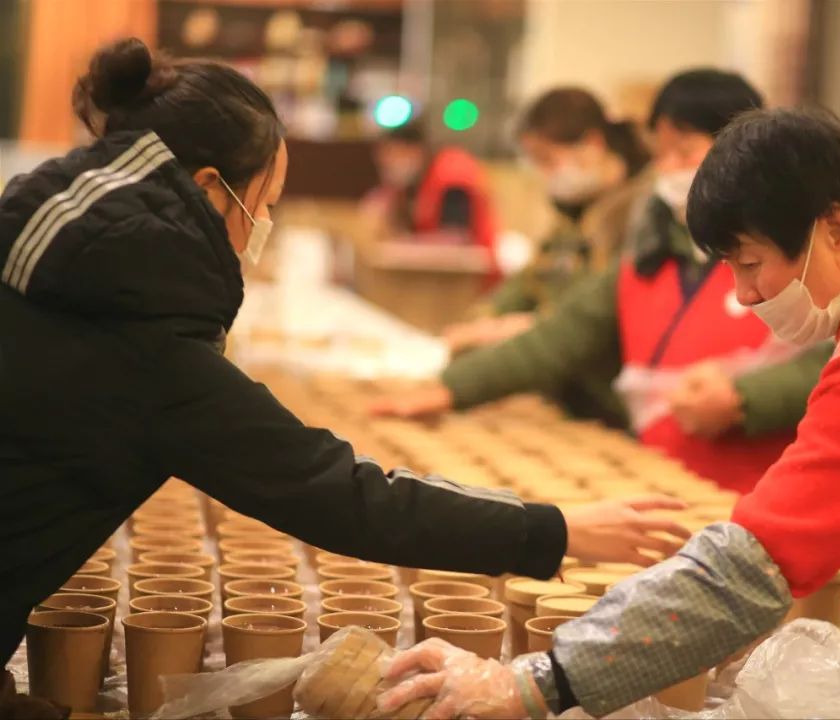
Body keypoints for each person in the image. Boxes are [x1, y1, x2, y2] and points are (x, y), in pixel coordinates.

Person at [0, 38, 690, 670]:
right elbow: (339, 495)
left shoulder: (56, 270)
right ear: (209, 189)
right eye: (264, 202)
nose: (262, 225)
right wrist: (552, 530)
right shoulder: (143, 341)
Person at [377, 108, 840, 720]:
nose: (743, 295)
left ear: (837, 228)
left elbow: (751, 569)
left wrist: (535, 683)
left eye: (751, 263)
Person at [373, 70, 832, 496]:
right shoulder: (651, 254)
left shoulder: (800, 252)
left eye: (684, 152)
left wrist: (745, 397)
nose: (668, 170)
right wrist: (453, 387)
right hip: (661, 482)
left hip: (770, 496)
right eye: (660, 155)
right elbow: (559, 337)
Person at [441, 88, 653, 371]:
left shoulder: (638, 213)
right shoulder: (573, 215)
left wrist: (521, 327)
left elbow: (597, 313)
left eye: (548, 160)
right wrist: (482, 319)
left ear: (592, 143)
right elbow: (529, 281)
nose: (543, 174)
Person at [368, 120, 499, 266]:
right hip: (435, 271)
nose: (388, 165)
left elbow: (457, 239)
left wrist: (400, 247)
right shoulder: (412, 183)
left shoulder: (452, 173)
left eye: (392, 156)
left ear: (415, 150)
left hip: (475, 273)